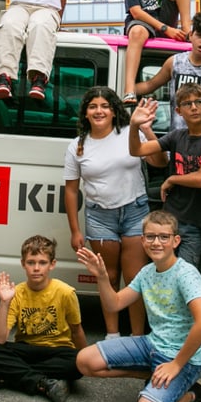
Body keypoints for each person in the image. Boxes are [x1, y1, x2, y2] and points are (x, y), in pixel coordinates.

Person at [75, 211, 201, 402]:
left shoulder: (187, 275)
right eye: (150, 237)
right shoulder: (147, 272)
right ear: (142, 240)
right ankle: (155, 378)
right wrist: (102, 277)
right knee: (84, 361)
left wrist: (176, 365)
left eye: (163, 237)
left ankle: (191, 394)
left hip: (184, 359)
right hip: (152, 345)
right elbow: (115, 304)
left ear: (175, 241)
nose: (156, 242)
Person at [64, 87, 150, 337]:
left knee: (135, 280)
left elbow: (159, 161)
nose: (99, 111)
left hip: (135, 211)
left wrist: (145, 129)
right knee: (109, 277)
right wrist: (75, 230)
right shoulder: (77, 146)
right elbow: (71, 191)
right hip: (100, 218)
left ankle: (136, 337)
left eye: (105, 106)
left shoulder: (129, 133)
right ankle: (112, 335)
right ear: (86, 113)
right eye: (93, 106)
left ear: (114, 111)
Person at [0, 235, 86, 402]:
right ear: (23, 264)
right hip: (26, 349)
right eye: (31, 262)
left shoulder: (65, 292)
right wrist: (4, 302)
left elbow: (76, 330)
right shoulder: (16, 292)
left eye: (42, 262)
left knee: (79, 364)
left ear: (52, 264)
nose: (36, 268)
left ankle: (8, 375)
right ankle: (43, 383)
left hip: (57, 350)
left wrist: (88, 359)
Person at [128, 85, 201, 268]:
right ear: (179, 111)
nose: (194, 107)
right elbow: (137, 150)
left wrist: (171, 179)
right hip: (168, 222)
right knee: (162, 274)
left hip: (194, 225)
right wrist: (134, 126)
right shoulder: (176, 136)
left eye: (198, 102)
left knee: (185, 279)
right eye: (187, 104)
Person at [120, 0, 194, 105]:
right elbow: (136, 12)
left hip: (165, 15)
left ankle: (187, 29)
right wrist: (166, 29)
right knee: (137, 32)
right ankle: (129, 90)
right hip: (144, 21)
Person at [133, 10, 201, 130]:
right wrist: (123, 91)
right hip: (179, 141)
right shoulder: (175, 63)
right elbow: (149, 85)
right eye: (200, 35)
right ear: (191, 35)